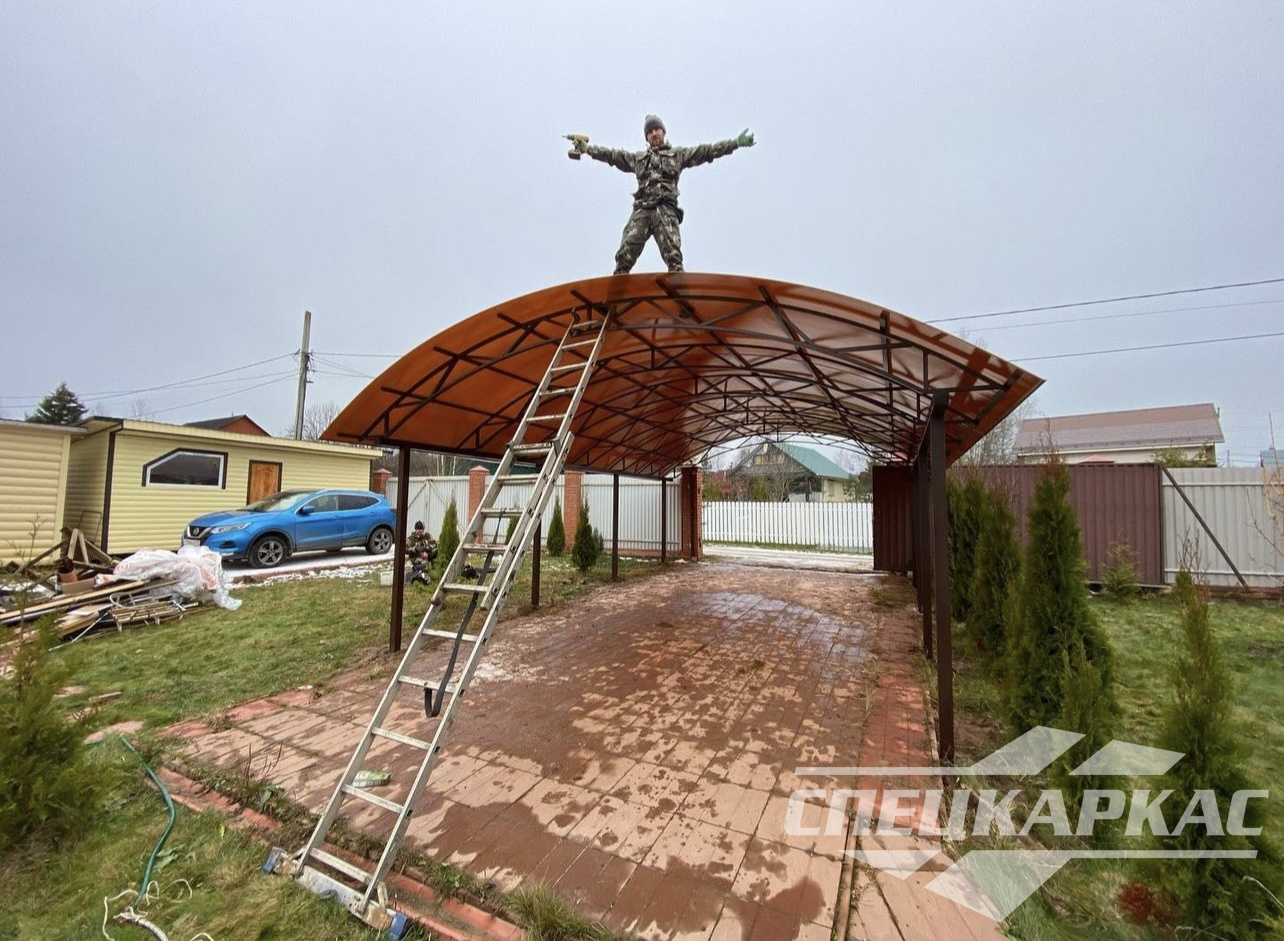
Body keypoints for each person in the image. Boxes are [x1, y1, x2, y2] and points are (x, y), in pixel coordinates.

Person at [569, 114, 755, 274]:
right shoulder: (638, 159)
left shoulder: (677, 155)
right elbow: (612, 155)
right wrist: (587, 149)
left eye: (656, 129)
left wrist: (735, 143)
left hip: (665, 210)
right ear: (647, 137)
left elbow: (707, 151)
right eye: (650, 132)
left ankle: (679, 290)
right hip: (642, 210)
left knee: (673, 256)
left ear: (663, 132)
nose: (654, 134)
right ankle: (617, 288)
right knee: (625, 253)